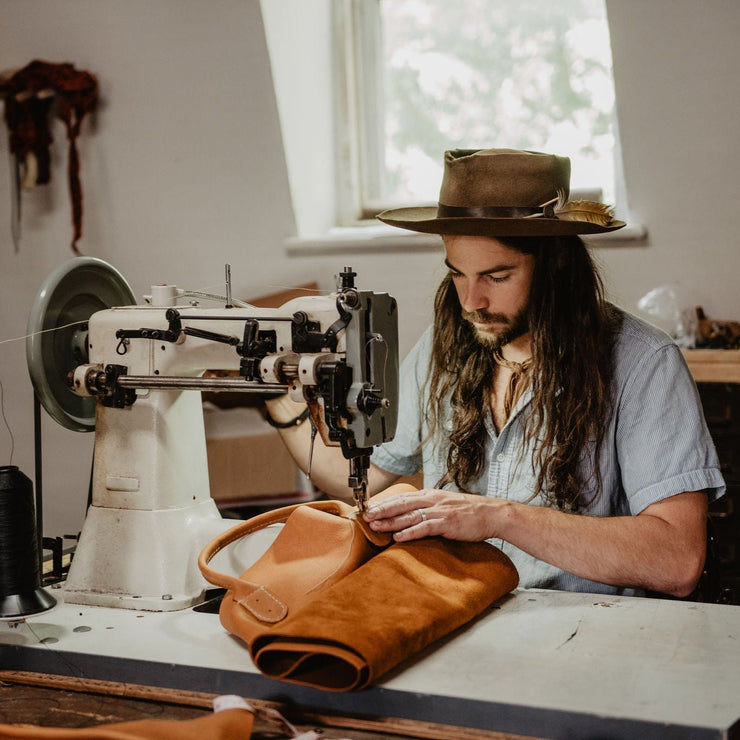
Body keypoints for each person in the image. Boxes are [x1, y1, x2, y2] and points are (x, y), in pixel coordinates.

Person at [266, 148, 725, 598]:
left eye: (497, 277)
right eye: (458, 275)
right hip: (459, 619)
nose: (471, 302)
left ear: (557, 267)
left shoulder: (643, 364)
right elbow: (355, 473)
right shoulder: (441, 348)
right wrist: (277, 391)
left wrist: (498, 517)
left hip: (589, 637)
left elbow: (677, 560)